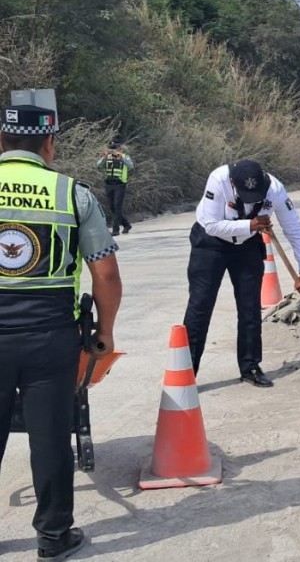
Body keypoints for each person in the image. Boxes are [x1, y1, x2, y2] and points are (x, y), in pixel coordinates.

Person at [0, 104, 122, 560]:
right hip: (49, 335)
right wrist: (104, 333)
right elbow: (105, 274)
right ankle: (53, 539)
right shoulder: (73, 194)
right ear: (49, 145)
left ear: (1, 142)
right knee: (49, 435)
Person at [183, 160, 300, 386]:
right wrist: (250, 225)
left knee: (250, 307)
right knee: (200, 306)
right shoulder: (219, 179)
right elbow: (211, 224)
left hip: (247, 245)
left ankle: (250, 366)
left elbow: (294, 228)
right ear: (233, 184)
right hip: (210, 244)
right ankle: (185, 372)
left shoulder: (275, 189)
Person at [96, 141, 134, 236]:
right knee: (112, 207)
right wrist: (105, 156)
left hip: (120, 184)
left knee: (117, 207)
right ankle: (126, 224)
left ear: (119, 149)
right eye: (112, 149)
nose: (114, 151)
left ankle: (115, 229)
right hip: (109, 184)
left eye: (115, 149)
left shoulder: (125, 157)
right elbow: (98, 165)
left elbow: (130, 166)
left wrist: (120, 157)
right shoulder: (107, 157)